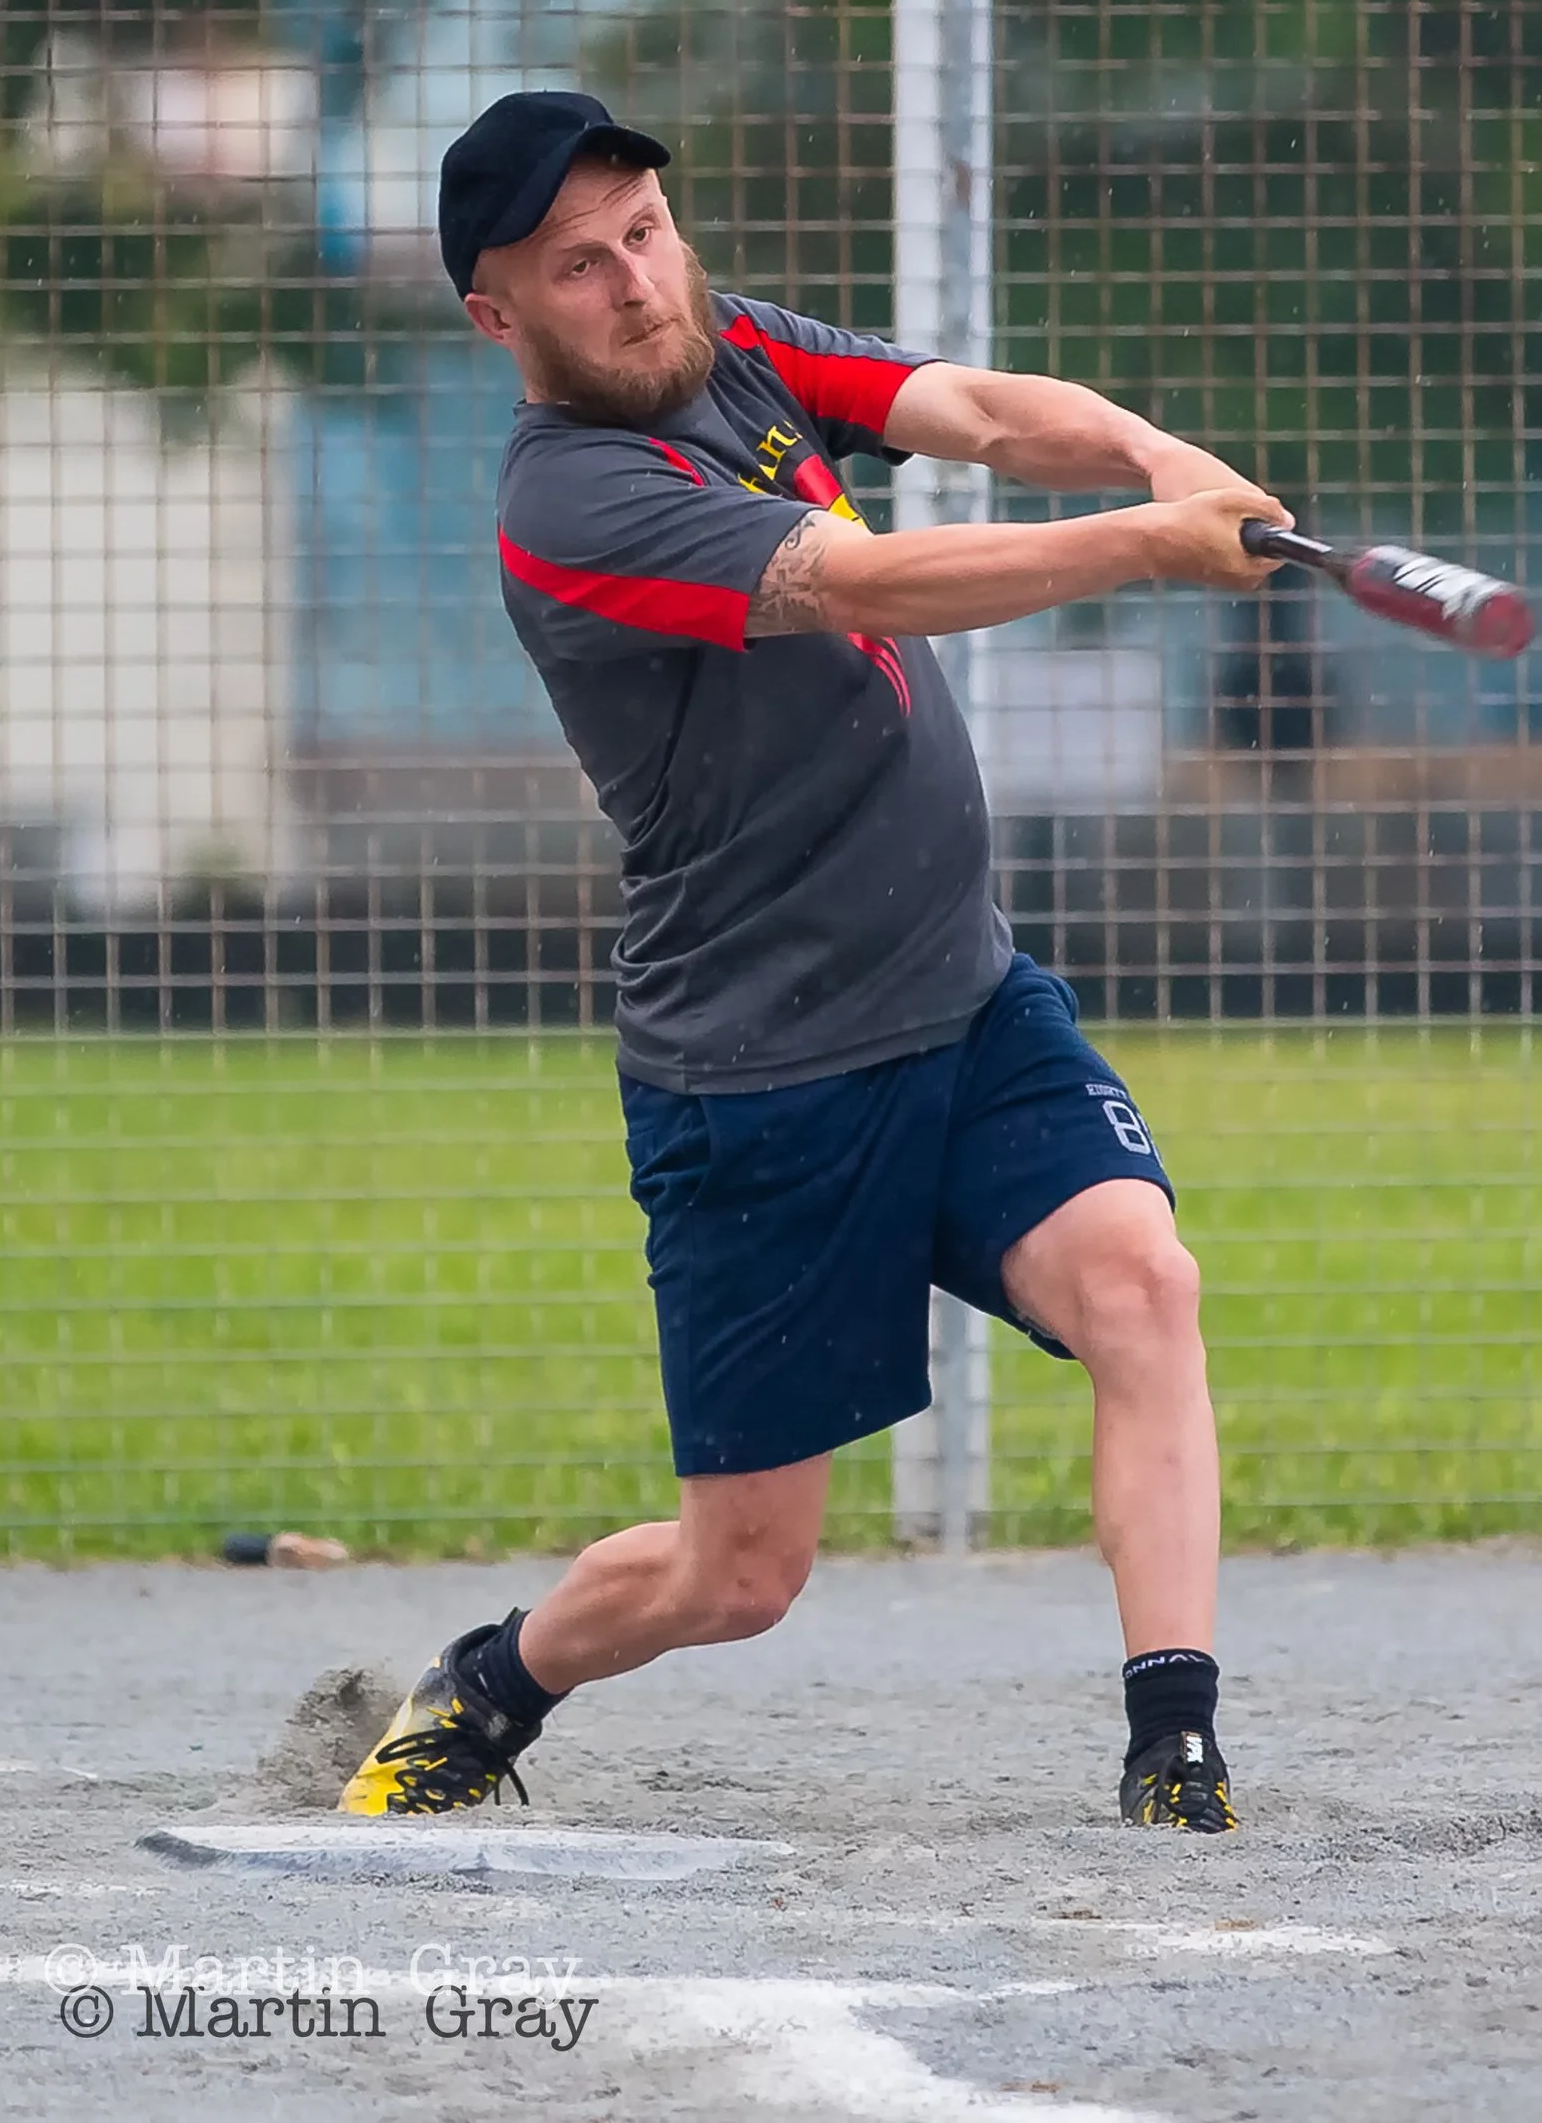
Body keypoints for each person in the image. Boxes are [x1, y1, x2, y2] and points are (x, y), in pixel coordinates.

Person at [340, 89, 1289, 1834]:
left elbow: (987, 412)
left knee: (1146, 1287)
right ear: (502, 319)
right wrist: (1151, 550)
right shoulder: (575, 500)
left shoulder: (737, 346)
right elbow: (868, 581)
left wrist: (1165, 461)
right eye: (579, 264)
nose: (634, 280)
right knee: (743, 1572)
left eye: (644, 229)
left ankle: (1176, 1753)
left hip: (966, 993)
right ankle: (492, 1685)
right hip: (761, 1076)